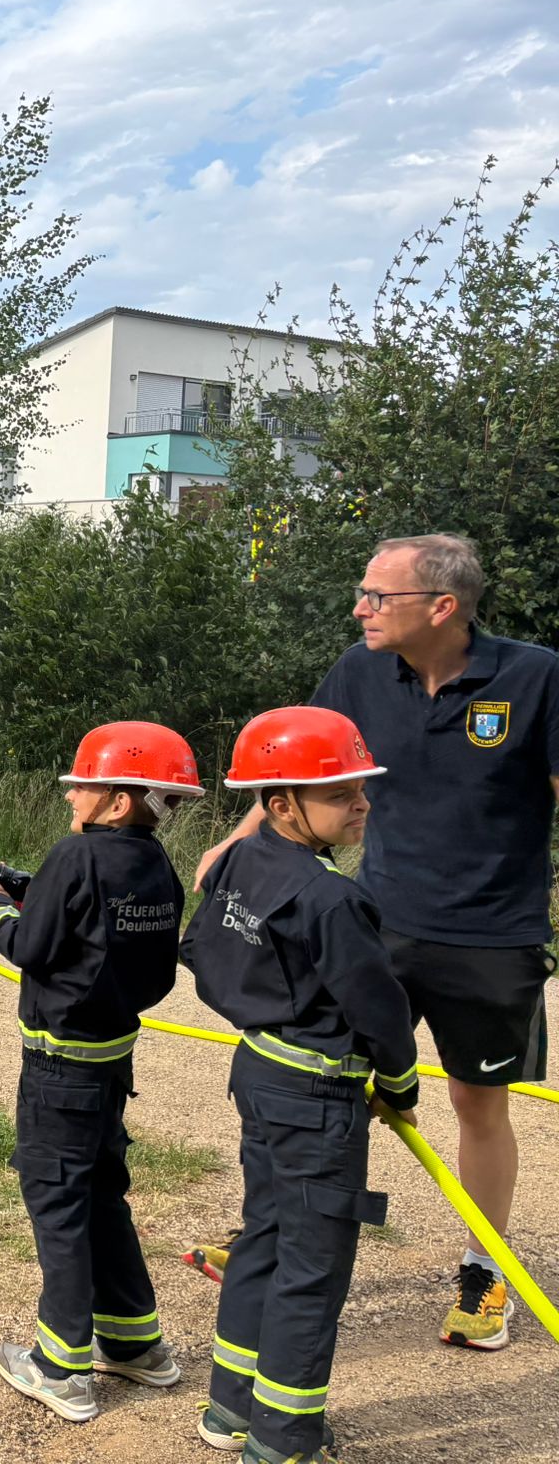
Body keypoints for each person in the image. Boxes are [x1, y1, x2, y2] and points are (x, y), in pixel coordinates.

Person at [191, 534, 556, 1351]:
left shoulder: (535, 676)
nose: (359, 609)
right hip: (372, 921)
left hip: (492, 937)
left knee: (476, 1103)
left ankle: (483, 1271)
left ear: (442, 607)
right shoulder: (360, 671)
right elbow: (300, 763)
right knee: (332, 1081)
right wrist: (240, 840)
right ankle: (276, 1236)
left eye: (376, 596)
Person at [184, 706, 420, 1464]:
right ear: (281, 803)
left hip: (260, 1075)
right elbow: (380, 1008)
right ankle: (282, 1442)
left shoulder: (235, 865)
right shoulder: (333, 900)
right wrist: (401, 1082)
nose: (363, 804)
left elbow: (203, 952)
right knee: (312, 1268)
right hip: (319, 1101)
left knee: (265, 1237)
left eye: (360, 789)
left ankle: (230, 1410)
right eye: (344, 793)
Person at [0, 721, 202, 1424]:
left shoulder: (75, 857)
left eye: (84, 783)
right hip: (109, 1065)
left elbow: (30, 945)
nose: (72, 791)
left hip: (57, 1070)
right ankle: (137, 1347)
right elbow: (108, 931)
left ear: (120, 799)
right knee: (102, 1196)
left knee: (59, 1204)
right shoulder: (155, 863)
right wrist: (29, 886)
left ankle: (61, 1370)